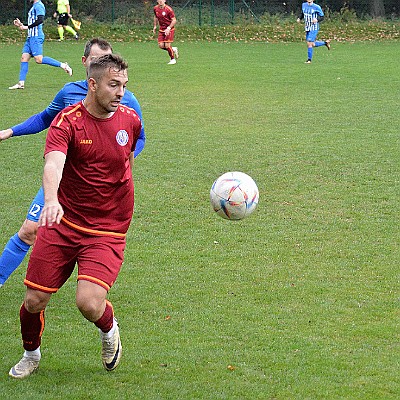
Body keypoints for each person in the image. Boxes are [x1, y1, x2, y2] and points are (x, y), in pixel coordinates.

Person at [8, 53, 142, 379]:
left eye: (123, 85)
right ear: (93, 84)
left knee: (89, 303)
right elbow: (53, 163)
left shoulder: (130, 120)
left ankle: (110, 332)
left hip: (107, 230)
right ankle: (31, 354)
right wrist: (51, 200)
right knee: (34, 300)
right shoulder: (67, 121)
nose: (121, 92)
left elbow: (126, 158)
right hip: (63, 223)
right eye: (113, 85)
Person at [0, 38, 146, 288]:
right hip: (62, 181)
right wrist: (11, 131)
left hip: (98, 191)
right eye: (97, 60)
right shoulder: (69, 93)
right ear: (85, 63)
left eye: (107, 59)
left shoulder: (125, 99)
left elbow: (137, 138)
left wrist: (117, 161)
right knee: (29, 230)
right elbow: (45, 118)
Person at [9, 0, 73, 90]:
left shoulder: (39, 5)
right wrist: (22, 25)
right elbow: (33, 22)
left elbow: (40, 20)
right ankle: (21, 83)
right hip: (30, 37)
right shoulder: (34, 6)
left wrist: (26, 27)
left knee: (39, 59)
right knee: (24, 58)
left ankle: (64, 66)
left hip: (36, 37)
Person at [153, 0, 179, 65]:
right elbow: (155, 17)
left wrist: (169, 28)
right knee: (161, 45)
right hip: (162, 29)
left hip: (169, 29)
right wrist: (155, 26)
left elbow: (174, 20)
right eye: (159, 0)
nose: (160, 1)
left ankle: (173, 59)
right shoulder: (155, 8)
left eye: (162, 0)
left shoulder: (168, 9)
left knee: (167, 45)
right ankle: (173, 49)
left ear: (165, 1)